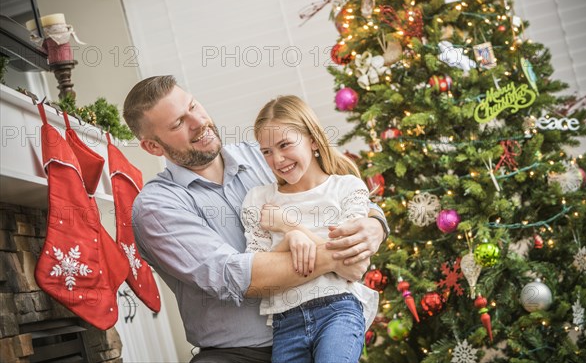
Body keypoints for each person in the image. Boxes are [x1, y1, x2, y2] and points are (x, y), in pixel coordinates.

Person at [123, 76, 389, 363]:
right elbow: (237, 277)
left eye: (193, 106)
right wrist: (338, 257)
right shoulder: (156, 207)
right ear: (153, 147)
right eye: (178, 123)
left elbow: (339, 193)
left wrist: (375, 224)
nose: (198, 122)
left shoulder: (262, 154)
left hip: (327, 319)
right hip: (239, 354)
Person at [242, 95, 379, 363]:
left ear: (313, 139)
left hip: (339, 309)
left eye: (285, 145)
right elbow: (257, 278)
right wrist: (289, 240)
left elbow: (353, 268)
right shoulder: (258, 200)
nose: (278, 159)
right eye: (267, 151)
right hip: (286, 323)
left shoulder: (346, 188)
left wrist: (289, 226)